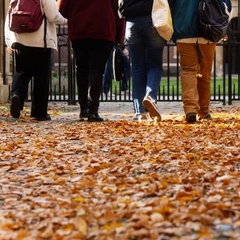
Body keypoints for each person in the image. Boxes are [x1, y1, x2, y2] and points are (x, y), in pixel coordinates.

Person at [58, 0, 125, 122]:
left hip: (79, 31)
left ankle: (83, 108)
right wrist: (119, 36)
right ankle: (92, 110)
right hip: (103, 31)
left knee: (82, 69)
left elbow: (62, 9)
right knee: (97, 70)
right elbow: (118, 11)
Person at [169, 0, 232, 123]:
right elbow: (226, 5)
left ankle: (190, 109)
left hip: (184, 31)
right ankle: (203, 111)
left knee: (188, 71)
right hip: (208, 31)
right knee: (205, 73)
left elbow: (168, 6)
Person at [5, 0, 67, 121]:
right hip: (40, 42)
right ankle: (39, 112)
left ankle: (17, 95)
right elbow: (52, 15)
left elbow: (9, 16)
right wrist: (65, 19)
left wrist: (9, 41)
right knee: (41, 77)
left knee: (22, 71)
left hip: (20, 39)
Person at [120, 0, 165, 122]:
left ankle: (140, 112)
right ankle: (150, 96)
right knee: (155, 65)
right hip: (153, 20)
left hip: (132, 23)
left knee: (137, 68)